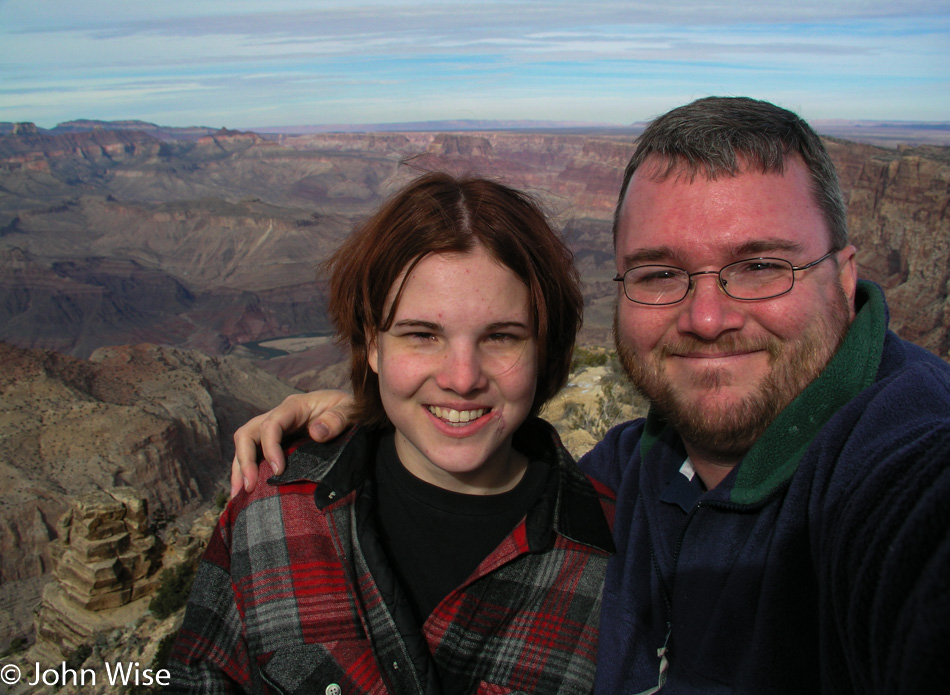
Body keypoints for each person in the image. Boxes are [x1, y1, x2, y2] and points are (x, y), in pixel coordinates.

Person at [231, 97, 950, 693]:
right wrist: (379, 403)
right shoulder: (619, 477)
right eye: (659, 272)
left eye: (760, 265)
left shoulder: (897, 460)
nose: (707, 319)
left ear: (845, 274)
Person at [169, 173, 616, 694]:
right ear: (374, 345)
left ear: (545, 350)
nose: (462, 378)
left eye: (501, 337)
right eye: (423, 335)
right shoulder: (275, 508)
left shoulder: (611, 555)